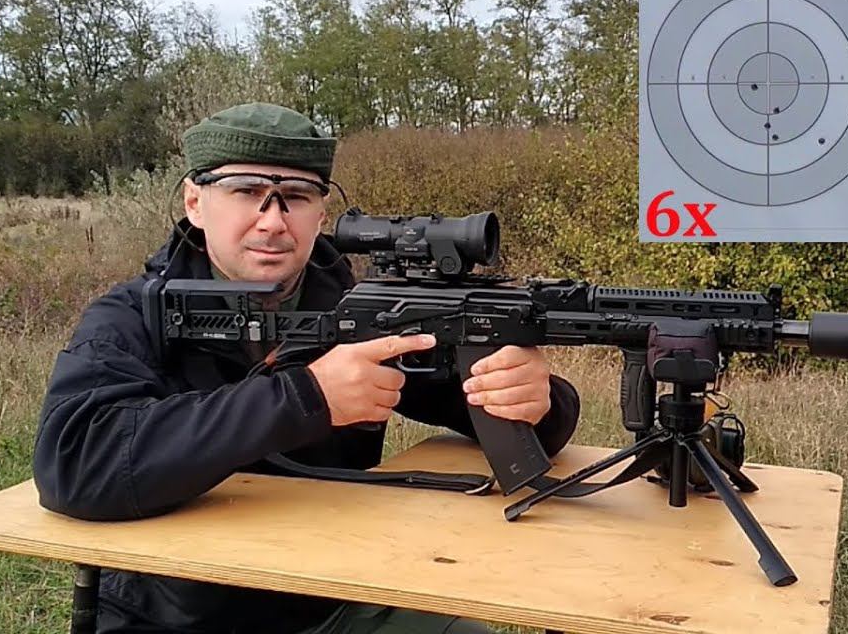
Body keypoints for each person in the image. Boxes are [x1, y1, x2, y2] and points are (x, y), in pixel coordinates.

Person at [31, 103, 582, 633]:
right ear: (195, 203)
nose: (273, 221)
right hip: (175, 616)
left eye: (295, 197)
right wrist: (308, 397)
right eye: (247, 192)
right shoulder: (133, 316)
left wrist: (534, 400)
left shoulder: (358, 311)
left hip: (331, 602)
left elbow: (513, 419)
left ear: (321, 215)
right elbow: (75, 464)